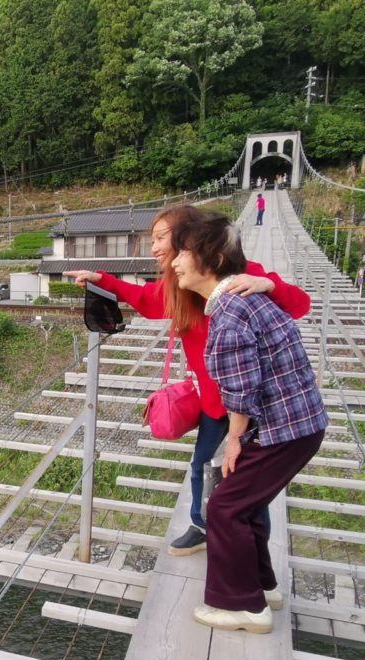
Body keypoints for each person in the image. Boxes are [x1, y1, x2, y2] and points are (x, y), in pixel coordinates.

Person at [65, 205, 311, 556]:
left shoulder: (242, 274)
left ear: (189, 242)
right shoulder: (180, 286)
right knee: (201, 465)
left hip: (252, 400)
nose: (154, 248)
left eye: (161, 238)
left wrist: (268, 284)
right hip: (214, 400)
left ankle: (256, 557)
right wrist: (102, 280)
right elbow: (147, 300)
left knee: (243, 483)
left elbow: (300, 305)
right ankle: (200, 524)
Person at [172, 213, 326, 633]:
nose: (174, 263)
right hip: (298, 425)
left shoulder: (229, 313)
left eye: (184, 253)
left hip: (284, 429)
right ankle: (263, 587)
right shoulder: (245, 299)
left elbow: (240, 388)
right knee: (242, 501)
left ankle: (243, 606)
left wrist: (235, 440)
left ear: (215, 259)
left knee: (224, 508)